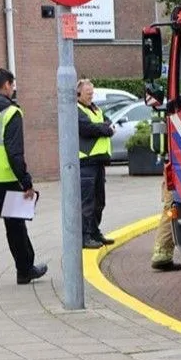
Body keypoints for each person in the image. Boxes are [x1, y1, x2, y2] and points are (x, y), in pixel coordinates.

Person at [0, 68, 48, 294]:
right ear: (6, 85)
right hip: (5, 178)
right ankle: (24, 270)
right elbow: (15, 153)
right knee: (16, 225)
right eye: (12, 85)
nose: (13, 89)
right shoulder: (11, 113)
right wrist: (26, 182)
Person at [76, 79, 114, 249]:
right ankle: (85, 236)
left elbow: (108, 121)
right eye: (88, 93)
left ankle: (94, 231)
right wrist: (105, 129)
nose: (91, 95)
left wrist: (105, 127)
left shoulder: (95, 108)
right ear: (78, 94)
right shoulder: (76, 110)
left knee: (99, 201)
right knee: (88, 202)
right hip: (86, 162)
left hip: (98, 161)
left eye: (92, 92)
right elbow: (88, 128)